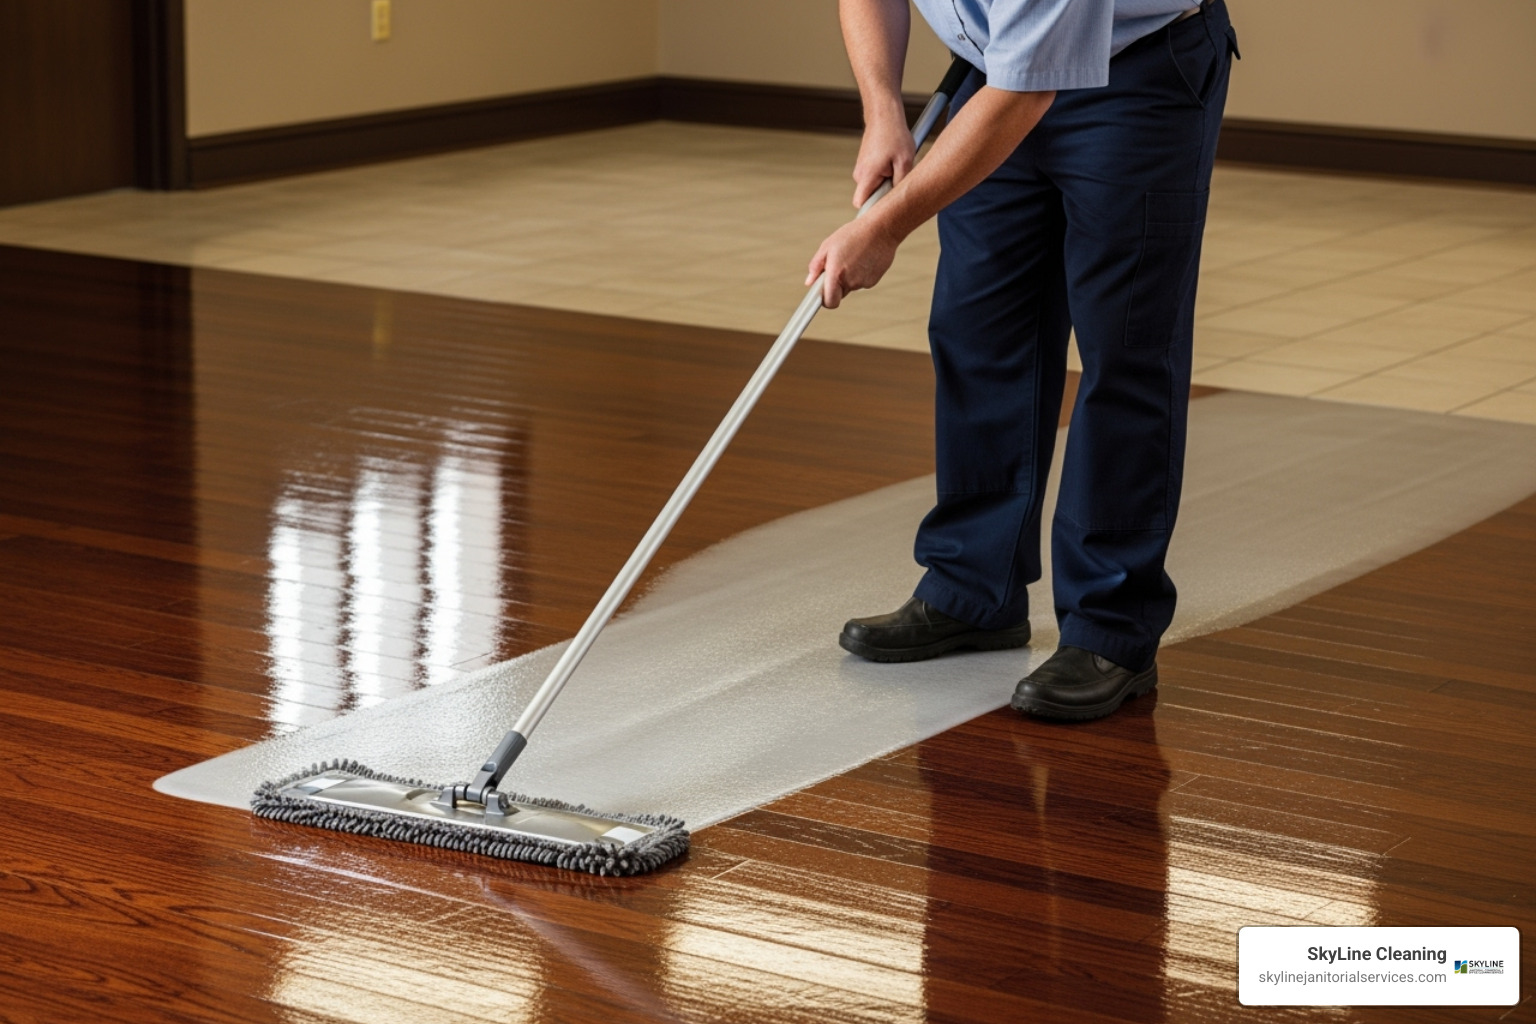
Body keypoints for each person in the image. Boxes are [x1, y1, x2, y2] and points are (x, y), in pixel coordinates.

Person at [813, 0, 1238, 721]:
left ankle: (1111, 629)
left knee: (1124, 346)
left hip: (1135, 75)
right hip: (996, 72)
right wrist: (881, 107)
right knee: (978, 326)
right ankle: (972, 589)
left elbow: (1025, 92)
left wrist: (886, 227)